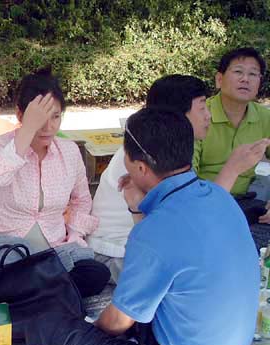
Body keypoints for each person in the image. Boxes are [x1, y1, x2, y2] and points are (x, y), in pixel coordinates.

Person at [21, 108, 258, 345]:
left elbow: (117, 323)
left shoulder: (156, 230)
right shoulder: (217, 195)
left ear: (142, 168)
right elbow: (161, 262)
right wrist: (137, 210)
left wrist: (86, 340)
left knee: (45, 331)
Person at [89, 73, 270, 281]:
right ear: (177, 115)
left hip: (149, 249)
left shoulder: (168, 145)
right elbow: (197, 220)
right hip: (117, 253)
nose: (209, 116)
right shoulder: (148, 153)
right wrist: (232, 169)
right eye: (202, 108)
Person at [0, 67, 110, 297]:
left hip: (53, 253)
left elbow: (82, 201)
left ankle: (35, 291)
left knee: (96, 273)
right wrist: (27, 129)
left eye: (55, 117)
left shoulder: (69, 151)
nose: (48, 127)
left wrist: (74, 236)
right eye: (40, 119)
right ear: (20, 114)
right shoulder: (1, 144)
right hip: (7, 251)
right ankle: (47, 292)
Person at [194, 47, 270, 247]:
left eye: (253, 74)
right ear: (219, 79)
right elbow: (185, 177)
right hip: (202, 205)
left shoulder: (265, 117)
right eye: (238, 72)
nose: (245, 79)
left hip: (246, 203)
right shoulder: (200, 115)